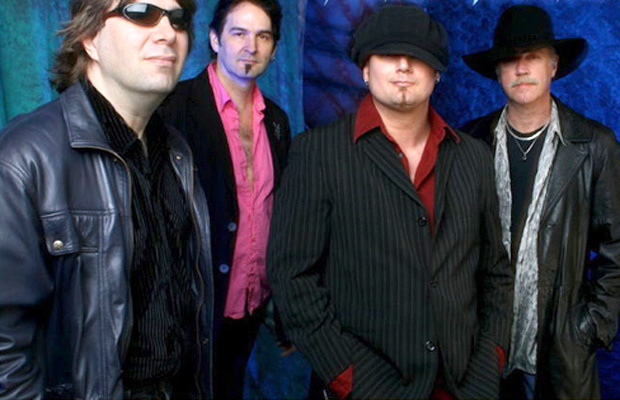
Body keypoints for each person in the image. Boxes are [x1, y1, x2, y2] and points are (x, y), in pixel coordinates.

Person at [268, 4, 512, 399]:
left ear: (436, 72)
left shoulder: (474, 157)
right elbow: (292, 275)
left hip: (463, 386)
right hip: (366, 386)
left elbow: (495, 273)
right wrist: (347, 376)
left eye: (417, 56)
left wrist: (490, 364)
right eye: (387, 54)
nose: (403, 65)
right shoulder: (317, 153)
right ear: (365, 69)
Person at [0, 0, 214, 398]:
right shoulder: (23, 158)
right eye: (140, 12)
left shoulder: (177, 153)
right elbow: (5, 352)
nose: (168, 33)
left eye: (179, 19)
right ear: (89, 36)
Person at [461, 5, 620, 399]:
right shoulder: (470, 141)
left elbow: (616, 246)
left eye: (532, 57)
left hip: (558, 348)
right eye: (510, 59)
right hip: (481, 344)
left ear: (553, 65)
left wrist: (589, 327)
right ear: (497, 71)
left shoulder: (595, 145)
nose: (521, 68)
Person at [159, 0, 291, 397]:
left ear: (273, 48)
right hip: (190, 310)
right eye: (238, 33)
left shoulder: (277, 121)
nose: (251, 46)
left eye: (263, 36)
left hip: (250, 306)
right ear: (215, 39)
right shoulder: (174, 108)